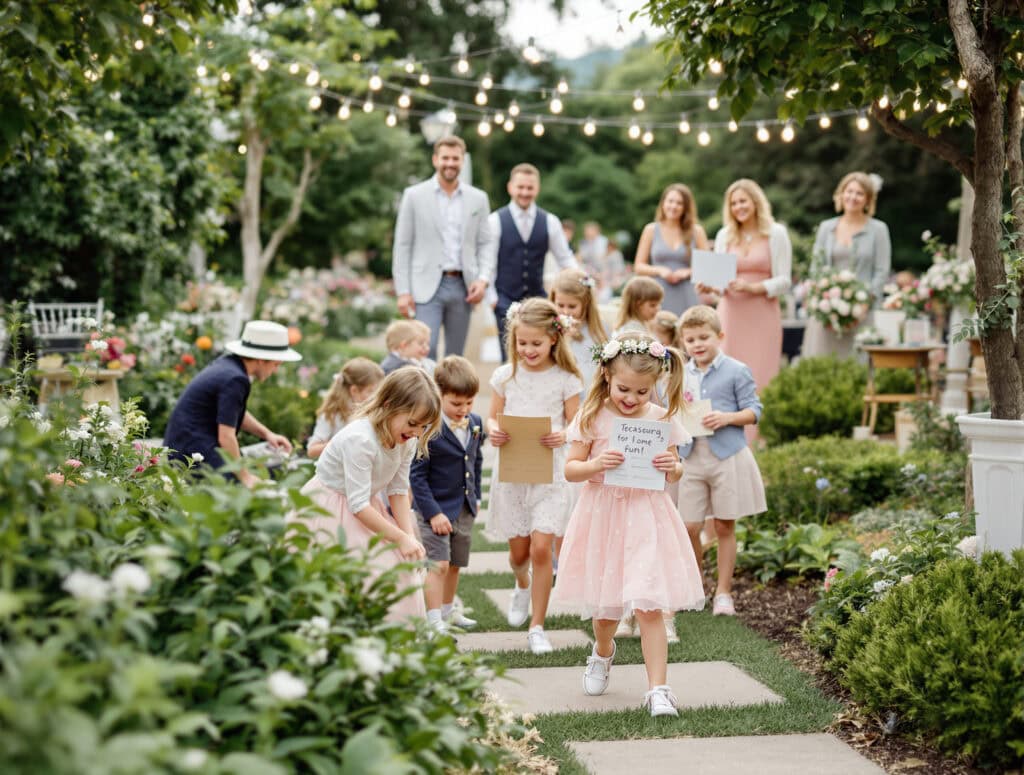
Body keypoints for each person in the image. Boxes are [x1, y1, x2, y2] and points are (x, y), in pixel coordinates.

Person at [553, 331, 705, 717]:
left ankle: (658, 689)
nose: (632, 398)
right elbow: (571, 469)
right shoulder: (591, 416)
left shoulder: (658, 419)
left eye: (642, 391)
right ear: (606, 375)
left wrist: (675, 466)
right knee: (606, 611)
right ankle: (603, 651)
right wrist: (595, 464)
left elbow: (673, 471)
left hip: (645, 518)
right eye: (624, 389)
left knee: (649, 605)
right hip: (603, 515)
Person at [293, 368, 442, 622]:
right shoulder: (360, 440)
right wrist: (398, 538)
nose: (417, 432)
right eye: (412, 423)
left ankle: (392, 645)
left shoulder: (407, 440)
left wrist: (407, 537)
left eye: (423, 426)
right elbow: (358, 504)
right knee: (347, 580)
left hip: (367, 509)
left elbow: (397, 489)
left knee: (400, 573)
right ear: (388, 405)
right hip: (331, 509)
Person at [487, 298, 583, 654]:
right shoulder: (505, 376)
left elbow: (577, 422)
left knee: (543, 548)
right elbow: (492, 416)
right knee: (520, 552)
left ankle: (537, 626)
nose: (528, 350)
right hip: (513, 469)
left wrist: (565, 434)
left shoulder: (567, 379)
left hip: (551, 470)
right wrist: (494, 429)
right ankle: (521, 584)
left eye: (535, 343)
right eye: (522, 343)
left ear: (554, 340)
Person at [677, 306, 766, 616]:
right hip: (690, 457)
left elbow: (754, 410)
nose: (697, 344)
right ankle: (695, 586)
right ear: (683, 342)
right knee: (689, 525)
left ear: (720, 336)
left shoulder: (736, 370)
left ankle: (724, 593)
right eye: (690, 339)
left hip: (726, 455)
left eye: (704, 337)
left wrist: (727, 418)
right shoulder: (680, 374)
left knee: (725, 525)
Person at [163, 320, 300, 488]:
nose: (276, 370)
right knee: (248, 486)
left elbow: (231, 414)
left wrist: (267, 434)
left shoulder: (229, 366)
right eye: (276, 364)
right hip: (194, 456)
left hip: (184, 446)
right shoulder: (235, 379)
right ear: (261, 360)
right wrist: (245, 477)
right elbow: (226, 436)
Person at [392, 135, 494, 360]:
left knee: (455, 357)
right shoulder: (414, 195)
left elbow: (486, 242)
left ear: (462, 162)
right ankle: (427, 396)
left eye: (455, 159)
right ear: (435, 160)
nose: (450, 163)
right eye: (445, 158)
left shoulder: (478, 199)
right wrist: (403, 291)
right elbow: (403, 245)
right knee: (425, 350)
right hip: (425, 287)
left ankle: (449, 396)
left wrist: (483, 279)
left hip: (463, 286)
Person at [409, 356, 485, 634]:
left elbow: (475, 460)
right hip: (434, 509)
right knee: (438, 564)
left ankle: (447, 611)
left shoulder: (475, 423)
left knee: (454, 565)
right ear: (438, 395)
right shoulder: (427, 428)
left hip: (464, 507)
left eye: (469, 403)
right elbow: (416, 476)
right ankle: (432, 621)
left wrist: (475, 498)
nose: (463, 410)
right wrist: (433, 513)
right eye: (455, 403)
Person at [702, 178, 792, 397]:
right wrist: (710, 286)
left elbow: (785, 281)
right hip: (730, 313)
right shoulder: (725, 235)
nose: (738, 207)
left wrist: (754, 288)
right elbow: (720, 281)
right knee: (726, 369)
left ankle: (760, 430)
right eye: (733, 203)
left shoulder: (776, 233)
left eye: (743, 201)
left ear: (755, 202)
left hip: (763, 312)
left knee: (762, 371)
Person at [488, 163, 578, 361]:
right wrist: (492, 298)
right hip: (504, 299)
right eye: (520, 187)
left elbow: (565, 258)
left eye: (530, 188)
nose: (525, 192)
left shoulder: (550, 221)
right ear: (510, 187)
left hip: (539, 300)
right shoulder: (495, 220)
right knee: (509, 357)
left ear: (537, 189)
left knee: (542, 356)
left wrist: (580, 281)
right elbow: (488, 261)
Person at [802, 172, 892, 359]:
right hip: (826, 313)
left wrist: (863, 306)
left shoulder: (879, 230)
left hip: (863, 313)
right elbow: (816, 267)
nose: (853, 197)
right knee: (823, 364)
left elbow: (882, 271)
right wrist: (820, 301)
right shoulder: (826, 228)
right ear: (841, 195)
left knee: (857, 365)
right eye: (849, 191)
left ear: (868, 200)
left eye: (859, 193)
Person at [633, 184, 709, 315]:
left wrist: (688, 272)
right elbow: (638, 267)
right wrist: (660, 270)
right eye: (670, 201)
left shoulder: (697, 232)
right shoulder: (651, 230)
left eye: (679, 203)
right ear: (663, 203)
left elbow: (708, 266)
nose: (674, 206)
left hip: (687, 294)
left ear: (685, 207)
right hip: (657, 295)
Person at [306, 358, 384, 459]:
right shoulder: (332, 414)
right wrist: (341, 442)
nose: (376, 396)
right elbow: (312, 450)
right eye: (371, 391)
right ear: (354, 390)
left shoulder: (372, 412)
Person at [550, 267, 608, 396]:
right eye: (560, 305)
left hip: (589, 393)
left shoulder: (598, 331)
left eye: (572, 306)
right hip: (560, 394)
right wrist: (564, 339)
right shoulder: (550, 329)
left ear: (586, 303)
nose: (565, 312)